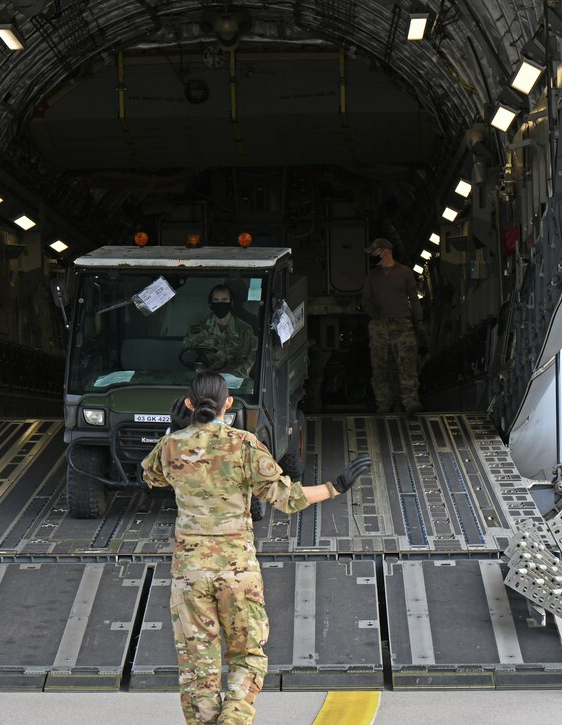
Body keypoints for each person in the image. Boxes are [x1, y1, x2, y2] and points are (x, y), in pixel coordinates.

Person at [142, 371, 371, 724]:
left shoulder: (171, 447)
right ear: (228, 404)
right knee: (247, 657)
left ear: (188, 404)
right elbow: (287, 498)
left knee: (198, 668)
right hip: (237, 571)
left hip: (189, 574)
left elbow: (151, 476)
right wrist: (335, 486)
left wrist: (175, 432)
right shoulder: (244, 445)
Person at [361, 238, 423, 414]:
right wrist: (375, 314)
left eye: (374, 252)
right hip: (379, 326)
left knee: (407, 364)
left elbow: (413, 297)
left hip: (402, 324)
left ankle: (410, 401)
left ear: (385, 251)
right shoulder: (372, 275)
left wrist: (419, 320)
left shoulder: (404, 272)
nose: (372, 256)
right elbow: (365, 300)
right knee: (380, 367)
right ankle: (384, 403)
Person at [183, 285, 256, 378]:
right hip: (206, 380)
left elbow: (249, 360)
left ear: (231, 303)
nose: (220, 303)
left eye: (224, 300)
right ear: (211, 303)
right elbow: (187, 356)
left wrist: (227, 378)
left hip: (233, 381)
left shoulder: (244, 330)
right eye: (216, 300)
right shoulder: (198, 330)